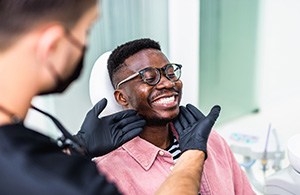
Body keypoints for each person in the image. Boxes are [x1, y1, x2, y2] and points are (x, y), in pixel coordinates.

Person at [0, 1, 219, 194]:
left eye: (169, 73)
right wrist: (192, 154)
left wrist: (77, 147)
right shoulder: (81, 179)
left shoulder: (24, 158)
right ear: (53, 44)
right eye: (85, 31)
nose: (166, 83)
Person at [92, 38, 255, 195]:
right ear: (122, 98)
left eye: (170, 73)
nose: (168, 83)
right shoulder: (107, 174)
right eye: (149, 78)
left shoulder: (210, 141)